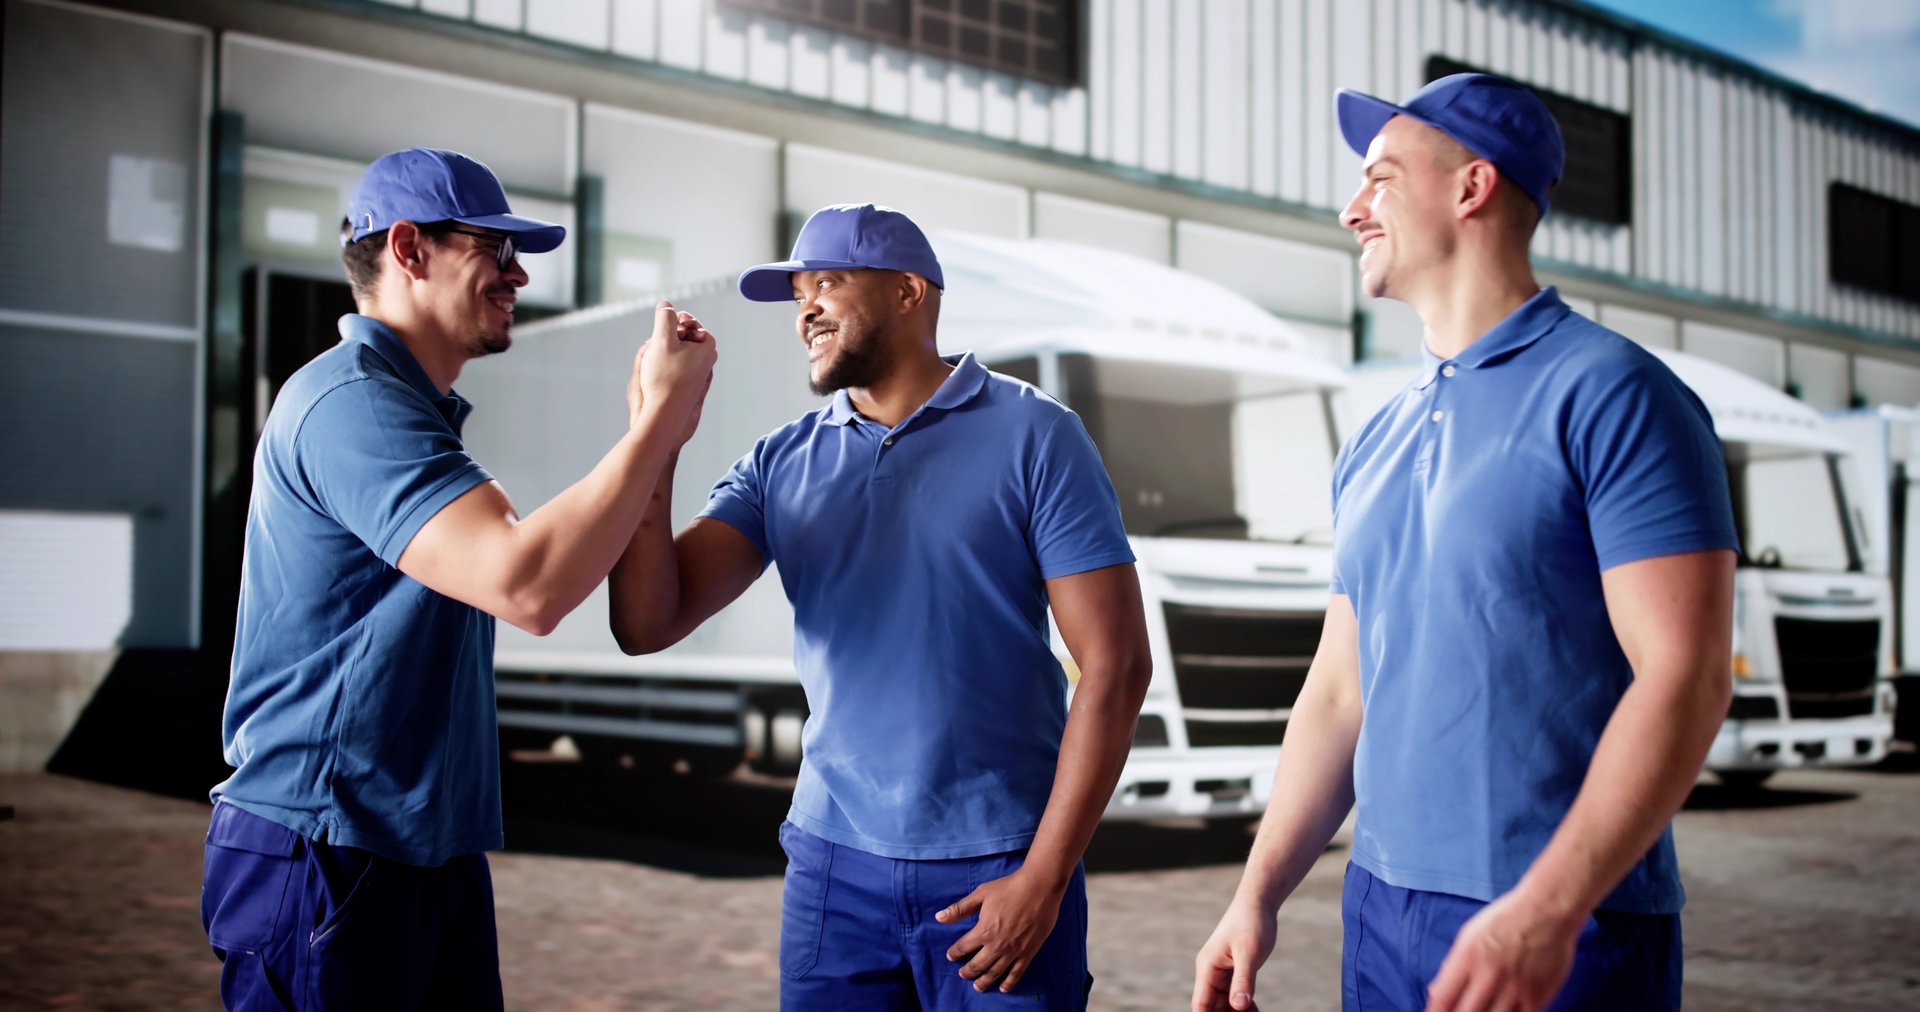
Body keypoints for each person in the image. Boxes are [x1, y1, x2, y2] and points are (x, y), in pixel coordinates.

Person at [1190, 74, 1739, 1012]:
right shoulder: (1375, 439)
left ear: (1471, 187)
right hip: (1382, 907)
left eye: (1380, 179)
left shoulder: (1616, 396)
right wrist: (1257, 893)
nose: (1352, 209)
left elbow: (1686, 676)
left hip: (1562, 923)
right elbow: (1340, 692)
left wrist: (1549, 909)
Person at [200, 146, 717, 1010]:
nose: (519, 275)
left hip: (414, 852)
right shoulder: (351, 404)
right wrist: (658, 421)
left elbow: (538, 563)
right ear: (409, 248)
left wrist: (651, 431)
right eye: (496, 249)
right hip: (327, 849)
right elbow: (528, 586)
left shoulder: (409, 412)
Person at [608, 203, 1152, 1009]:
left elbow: (1117, 666)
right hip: (834, 870)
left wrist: (1044, 877)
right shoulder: (781, 460)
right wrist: (655, 435)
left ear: (907, 292)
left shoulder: (1037, 435)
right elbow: (648, 622)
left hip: (999, 865)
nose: (806, 311)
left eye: (828, 283)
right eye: (798, 295)